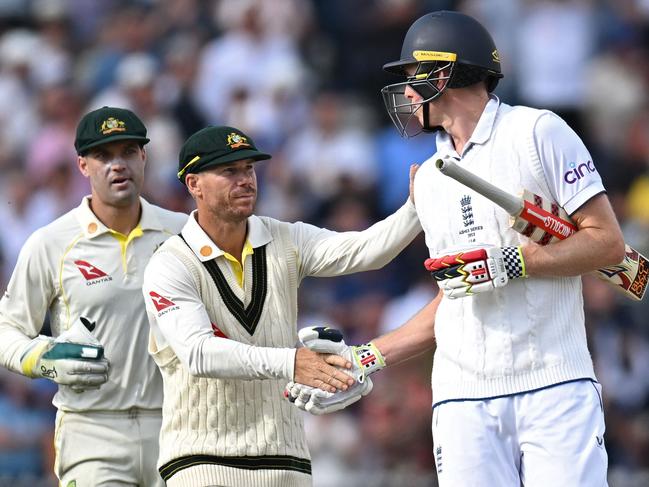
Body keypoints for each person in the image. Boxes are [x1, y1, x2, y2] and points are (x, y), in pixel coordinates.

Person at [289, 10, 626, 487]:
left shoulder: (537, 132)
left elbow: (608, 244)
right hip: (461, 396)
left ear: (441, 73)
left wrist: (516, 261)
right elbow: (454, 297)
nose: (406, 94)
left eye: (412, 78)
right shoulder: (427, 178)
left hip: (554, 383)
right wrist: (367, 357)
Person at [141, 124, 421, 487]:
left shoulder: (284, 238)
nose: (245, 180)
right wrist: (292, 362)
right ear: (194, 184)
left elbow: (366, 250)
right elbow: (199, 353)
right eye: (229, 171)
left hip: (287, 459)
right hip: (202, 461)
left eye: (249, 169)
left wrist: (416, 207)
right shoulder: (170, 263)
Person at [0, 106, 187, 486]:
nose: (117, 165)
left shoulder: (184, 234)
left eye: (128, 152)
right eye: (103, 155)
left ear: (144, 157)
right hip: (91, 431)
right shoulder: (51, 243)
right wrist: (45, 358)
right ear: (82, 165)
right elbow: (7, 330)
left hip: (177, 428)